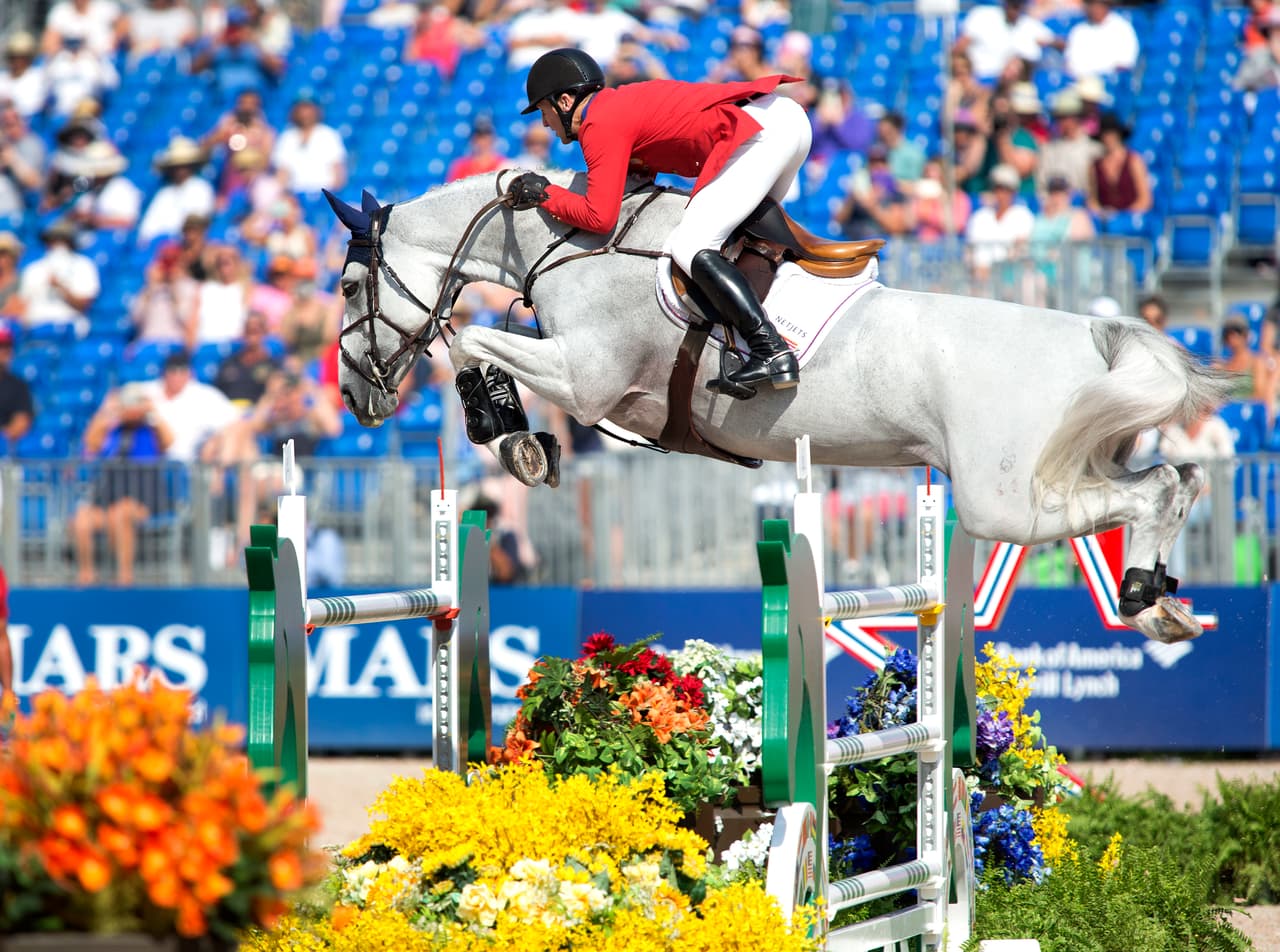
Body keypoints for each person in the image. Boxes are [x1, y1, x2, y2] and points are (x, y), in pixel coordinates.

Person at [506, 47, 805, 391]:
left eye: (544, 110)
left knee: (691, 245)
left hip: (760, 133)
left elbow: (599, 218)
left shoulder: (598, 122)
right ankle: (771, 333)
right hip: (785, 118)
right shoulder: (615, 106)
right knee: (740, 238)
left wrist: (545, 194)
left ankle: (769, 349)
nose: (545, 123)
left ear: (565, 101)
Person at [71, 382, 176, 585]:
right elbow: (91, 443)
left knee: (120, 513)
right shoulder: (113, 430)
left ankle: (124, 577)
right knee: (83, 518)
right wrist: (107, 410)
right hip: (109, 495)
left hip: (144, 498)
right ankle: (86, 576)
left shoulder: (151, 430)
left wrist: (151, 410)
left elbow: (169, 441)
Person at [18, 218, 99, 335]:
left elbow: (83, 304)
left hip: (69, 326)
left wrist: (60, 286)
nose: (58, 244)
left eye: (63, 239)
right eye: (54, 239)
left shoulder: (83, 265)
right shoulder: (33, 269)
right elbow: (23, 305)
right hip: (36, 326)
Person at [137, 136, 216, 244]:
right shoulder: (164, 193)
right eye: (176, 166)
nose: (180, 170)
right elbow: (147, 231)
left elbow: (197, 222)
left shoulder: (202, 188)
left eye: (184, 165)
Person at [953, 0, 1053, 83]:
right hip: (976, 79)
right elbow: (959, 49)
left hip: (1008, 86)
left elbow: (1056, 42)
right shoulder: (983, 15)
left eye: (1018, 5)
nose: (1014, 10)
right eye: (1012, 4)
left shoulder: (1028, 24)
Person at [966, 162, 1034, 281]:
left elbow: (1020, 248)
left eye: (1006, 189)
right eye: (998, 188)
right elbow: (970, 249)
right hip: (979, 279)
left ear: (1014, 191)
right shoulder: (980, 216)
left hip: (1010, 278)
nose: (1001, 194)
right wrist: (977, 270)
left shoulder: (1023, 215)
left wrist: (994, 270)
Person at [1036, 89, 1101, 196]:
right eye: (1058, 118)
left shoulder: (1094, 150)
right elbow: (1042, 185)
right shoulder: (1048, 149)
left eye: (1064, 117)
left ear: (1076, 117)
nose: (1060, 122)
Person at [130, 240, 199, 343]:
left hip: (175, 345)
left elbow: (186, 320)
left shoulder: (190, 286)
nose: (169, 267)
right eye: (165, 260)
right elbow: (135, 319)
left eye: (173, 261)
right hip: (148, 343)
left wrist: (175, 288)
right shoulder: (149, 287)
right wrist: (150, 288)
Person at [1087, 113, 1152, 216]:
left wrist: (1123, 216)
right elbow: (1093, 200)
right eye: (1105, 134)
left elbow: (1145, 199)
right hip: (1105, 221)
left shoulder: (1133, 161)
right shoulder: (1095, 165)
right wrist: (1101, 213)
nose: (1108, 138)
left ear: (1118, 135)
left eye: (1111, 134)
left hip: (1131, 219)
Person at [212, 309, 280, 407]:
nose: (252, 335)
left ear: (264, 332)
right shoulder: (229, 363)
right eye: (248, 330)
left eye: (256, 330)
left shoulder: (273, 366)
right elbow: (217, 394)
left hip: (256, 415)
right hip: (229, 413)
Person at [1064, 0, 1139, 79]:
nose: (1094, 9)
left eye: (1099, 5)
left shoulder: (1122, 28)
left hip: (1108, 84)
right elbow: (1069, 65)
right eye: (1091, 4)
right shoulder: (1079, 30)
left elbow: (1125, 66)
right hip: (1079, 82)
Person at [0, 99, 46, 219]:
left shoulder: (31, 143)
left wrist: (11, 157)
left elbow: (33, 182)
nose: (10, 125)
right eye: (5, 122)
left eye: (14, 121)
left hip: (14, 213)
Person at [1214, 312, 1275, 403]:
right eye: (1228, 334)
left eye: (1237, 332)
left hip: (1248, 411)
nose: (1232, 337)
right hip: (1227, 411)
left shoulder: (1257, 362)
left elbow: (1260, 394)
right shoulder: (1223, 366)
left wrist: (1237, 408)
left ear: (1245, 335)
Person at [446, 116, 514, 182]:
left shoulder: (504, 165)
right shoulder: (460, 166)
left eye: (486, 135)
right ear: (473, 139)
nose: (483, 141)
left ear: (493, 138)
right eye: (480, 136)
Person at [0, 32, 48, 119]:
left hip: (29, 121)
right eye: (13, 57)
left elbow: (37, 105)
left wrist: (14, 104)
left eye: (21, 57)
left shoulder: (37, 77)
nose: (17, 61)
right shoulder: (2, 78)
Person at [0, 322, 33, 443]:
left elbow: (21, 423)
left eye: (7, 346)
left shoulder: (17, 386)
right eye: (1, 346)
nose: (4, 351)